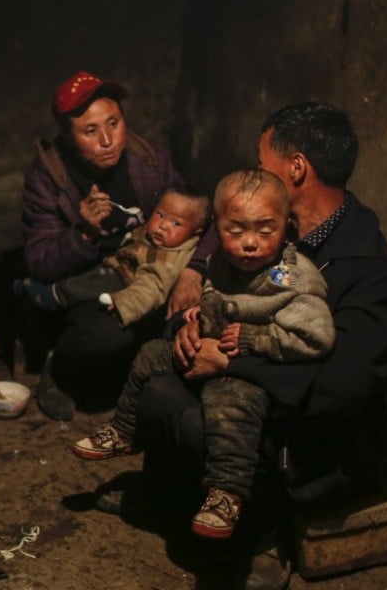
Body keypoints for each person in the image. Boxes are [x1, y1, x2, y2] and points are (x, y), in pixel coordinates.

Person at [99, 103, 387, 590]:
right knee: (159, 383)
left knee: (203, 417)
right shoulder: (265, 233)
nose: (253, 172)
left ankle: (260, 536)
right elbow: (219, 295)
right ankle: (170, 497)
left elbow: (343, 386)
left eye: (261, 161)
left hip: (315, 442)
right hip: (252, 387)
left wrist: (230, 359)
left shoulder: (373, 270)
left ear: (296, 169)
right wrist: (190, 329)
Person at [74, 170, 335, 541]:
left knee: (230, 402)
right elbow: (215, 291)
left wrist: (255, 340)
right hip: (214, 347)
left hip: (255, 371)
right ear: (217, 227)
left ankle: (227, 493)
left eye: (266, 231)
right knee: (151, 353)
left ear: (287, 227)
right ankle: (125, 430)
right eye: (235, 231)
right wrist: (200, 316)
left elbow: (316, 338)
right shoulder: (221, 262)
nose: (249, 243)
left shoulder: (294, 279)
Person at [21, 71, 216, 420]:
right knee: (107, 336)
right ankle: (60, 367)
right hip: (90, 285)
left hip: (147, 269)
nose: (108, 140)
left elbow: (203, 217)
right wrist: (84, 234)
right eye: (90, 131)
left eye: (114, 123)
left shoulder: (149, 160)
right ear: (67, 136)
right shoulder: (48, 179)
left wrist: (194, 271)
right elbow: (39, 262)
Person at [14, 185, 209, 324]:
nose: (163, 225)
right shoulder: (161, 238)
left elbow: (149, 290)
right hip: (114, 264)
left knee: (78, 288)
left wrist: (122, 305)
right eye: (160, 214)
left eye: (176, 223)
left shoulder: (166, 262)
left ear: (196, 233)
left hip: (122, 282)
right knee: (83, 279)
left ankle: (50, 296)